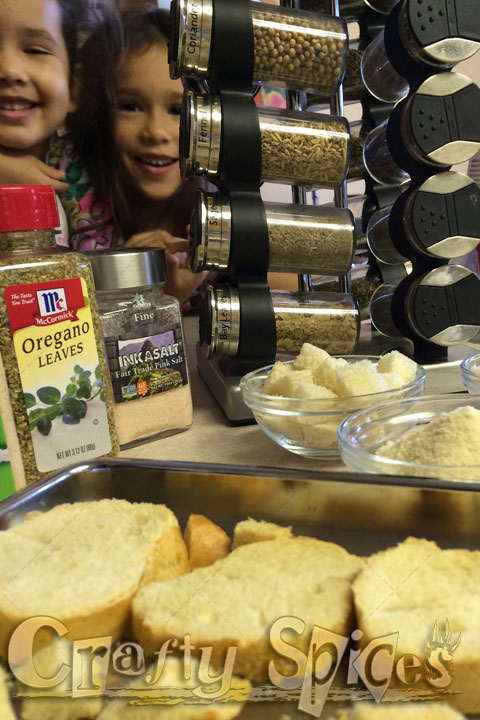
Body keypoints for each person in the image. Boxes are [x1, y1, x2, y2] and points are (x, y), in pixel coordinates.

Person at [66, 8, 206, 302]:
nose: (156, 132)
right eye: (130, 106)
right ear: (98, 113)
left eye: (179, 111)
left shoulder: (226, 206)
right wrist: (158, 297)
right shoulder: (70, 187)